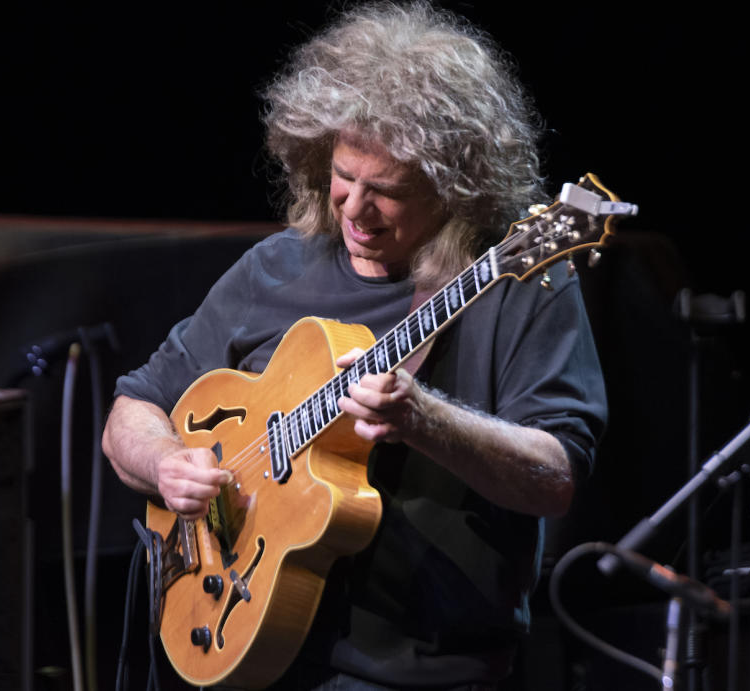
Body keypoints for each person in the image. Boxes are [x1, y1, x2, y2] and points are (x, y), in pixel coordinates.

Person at [101, 2, 607, 687]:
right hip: (241, 637)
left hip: (423, 668)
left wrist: (421, 418)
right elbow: (133, 409)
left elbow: (556, 477)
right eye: (343, 176)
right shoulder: (274, 267)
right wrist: (166, 465)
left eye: (387, 191)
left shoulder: (518, 286)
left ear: (456, 189)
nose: (353, 209)